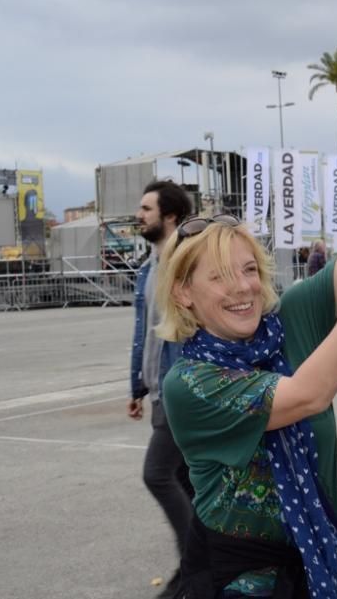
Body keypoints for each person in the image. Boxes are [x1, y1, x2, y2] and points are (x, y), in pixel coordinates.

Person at [157, 212, 337, 599]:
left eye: (249, 269)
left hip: (320, 560)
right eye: (219, 276)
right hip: (241, 580)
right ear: (183, 292)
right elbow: (309, 394)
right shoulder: (188, 384)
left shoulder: (286, 322)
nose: (242, 287)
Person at [128, 180, 195, 598]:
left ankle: (194, 564)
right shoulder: (148, 267)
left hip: (178, 389)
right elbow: (144, 333)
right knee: (188, 483)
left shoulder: (182, 263)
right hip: (157, 390)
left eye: (147, 209)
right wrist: (136, 384)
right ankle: (211, 563)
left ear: (169, 215)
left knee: (157, 474)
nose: (140, 215)